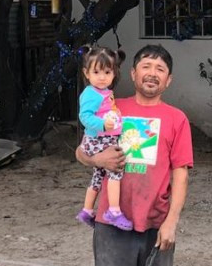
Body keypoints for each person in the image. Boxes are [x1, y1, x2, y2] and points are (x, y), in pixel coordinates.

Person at [76, 44, 193, 266]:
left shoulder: (177, 119)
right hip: (111, 223)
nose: (152, 73)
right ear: (132, 73)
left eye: (160, 69)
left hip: (156, 222)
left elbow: (181, 175)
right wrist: (96, 160)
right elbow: (81, 151)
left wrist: (171, 222)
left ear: (168, 80)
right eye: (146, 66)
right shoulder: (111, 108)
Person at [76, 45, 132, 231]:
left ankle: (86, 210)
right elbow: (84, 116)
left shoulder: (102, 92)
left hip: (100, 140)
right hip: (99, 142)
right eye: (97, 72)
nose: (102, 77)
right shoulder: (91, 94)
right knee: (116, 171)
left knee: (98, 177)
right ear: (87, 73)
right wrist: (102, 125)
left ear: (114, 73)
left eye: (107, 72)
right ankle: (114, 211)